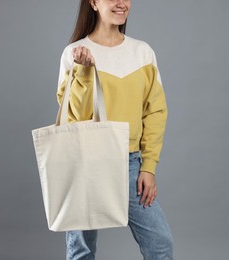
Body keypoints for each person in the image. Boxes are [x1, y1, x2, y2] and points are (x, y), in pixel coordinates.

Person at [56, 0, 174, 259]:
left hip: (130, 164)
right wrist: (85, 73)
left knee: (160, 244)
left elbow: (155, 113)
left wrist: (148, 167)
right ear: (94, 3)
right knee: (81, 251)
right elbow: (74, 119)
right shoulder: (74, 52)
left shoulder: (143, 53)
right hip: (85, 164)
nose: (121, 3)